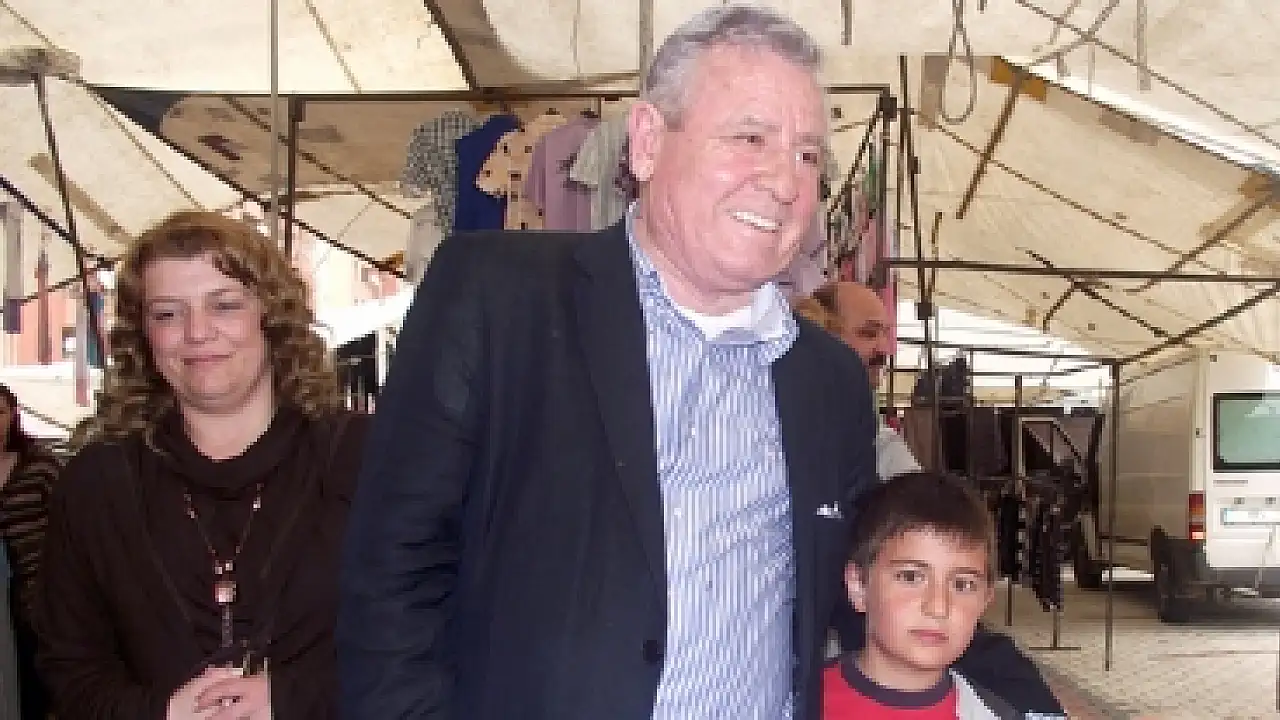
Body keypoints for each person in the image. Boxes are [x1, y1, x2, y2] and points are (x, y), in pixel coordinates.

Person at [340, 5, 1058, 719]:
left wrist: (1026, 705)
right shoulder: (500, 298)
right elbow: (391, 573)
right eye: (750, 137)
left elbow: (876, 578)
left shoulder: (828, 382)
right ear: (648, 143)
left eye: (808, 155)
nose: (785, 182)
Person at [37, 211, 368, 719]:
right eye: (168, 314)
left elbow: (436, 635)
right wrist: (162, 712)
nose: (197, 332)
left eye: (225, 305)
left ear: (271, 317)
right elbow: (69, 667)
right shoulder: (97, 484)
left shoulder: (364, 461)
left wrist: (293, 697)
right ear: (143, 334)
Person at [825, 472, 1065, 718]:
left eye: (962, 585)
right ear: (859, 586)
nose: (938, 607)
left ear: (985, 599)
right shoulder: (806, 702)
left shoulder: (996, 713)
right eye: (911, 577)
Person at [793, 281, 921, 480]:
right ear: (824, 335)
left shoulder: (873, 433)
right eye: (868, 333)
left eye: (885, 334)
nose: (885, 349)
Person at [0, 384, 61, 719]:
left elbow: (70, 524)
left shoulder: (39, 464)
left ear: (13, 415)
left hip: (36, 596)